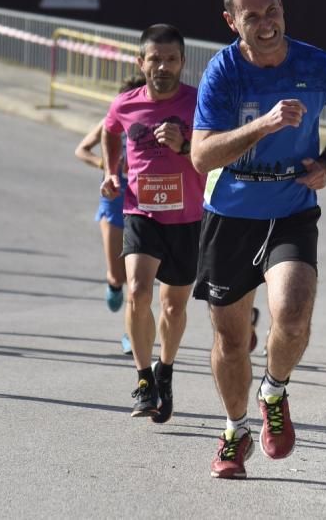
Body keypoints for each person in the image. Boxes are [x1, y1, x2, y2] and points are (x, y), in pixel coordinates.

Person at [190, 0, 326, 478]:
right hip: (229, 217)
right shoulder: (223, 73)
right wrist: (264, 124)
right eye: (252, 17)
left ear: (282, 6)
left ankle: (274, 392)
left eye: (273, 12)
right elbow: (202, 156)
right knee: (229, 340)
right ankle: (234, 431)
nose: (267, 24)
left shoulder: (315, 64)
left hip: (291, 213)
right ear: (231, 21)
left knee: (292, 316)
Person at [101, 23, 206, 423]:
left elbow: (213, 153)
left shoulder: (199, 102)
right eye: (155, 59)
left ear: (182, 61)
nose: (163, 66)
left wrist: (183, 144)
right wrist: (112, 172)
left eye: (171, 59)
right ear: (140, 61)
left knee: (173, 307)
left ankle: (166, 369)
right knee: (138, 293)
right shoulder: (125, 104)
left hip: (187, 217)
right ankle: (143, 379)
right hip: (140, 211)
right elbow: (110, 132)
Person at [75, 75, 145, 354]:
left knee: (136, 277)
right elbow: (81, 150)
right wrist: (105, 165)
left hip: (143, 199)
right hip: (114, 200)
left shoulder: (152, 122)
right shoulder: (111, 121)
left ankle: (131, 333)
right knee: (118, 275)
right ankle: (112, 283)